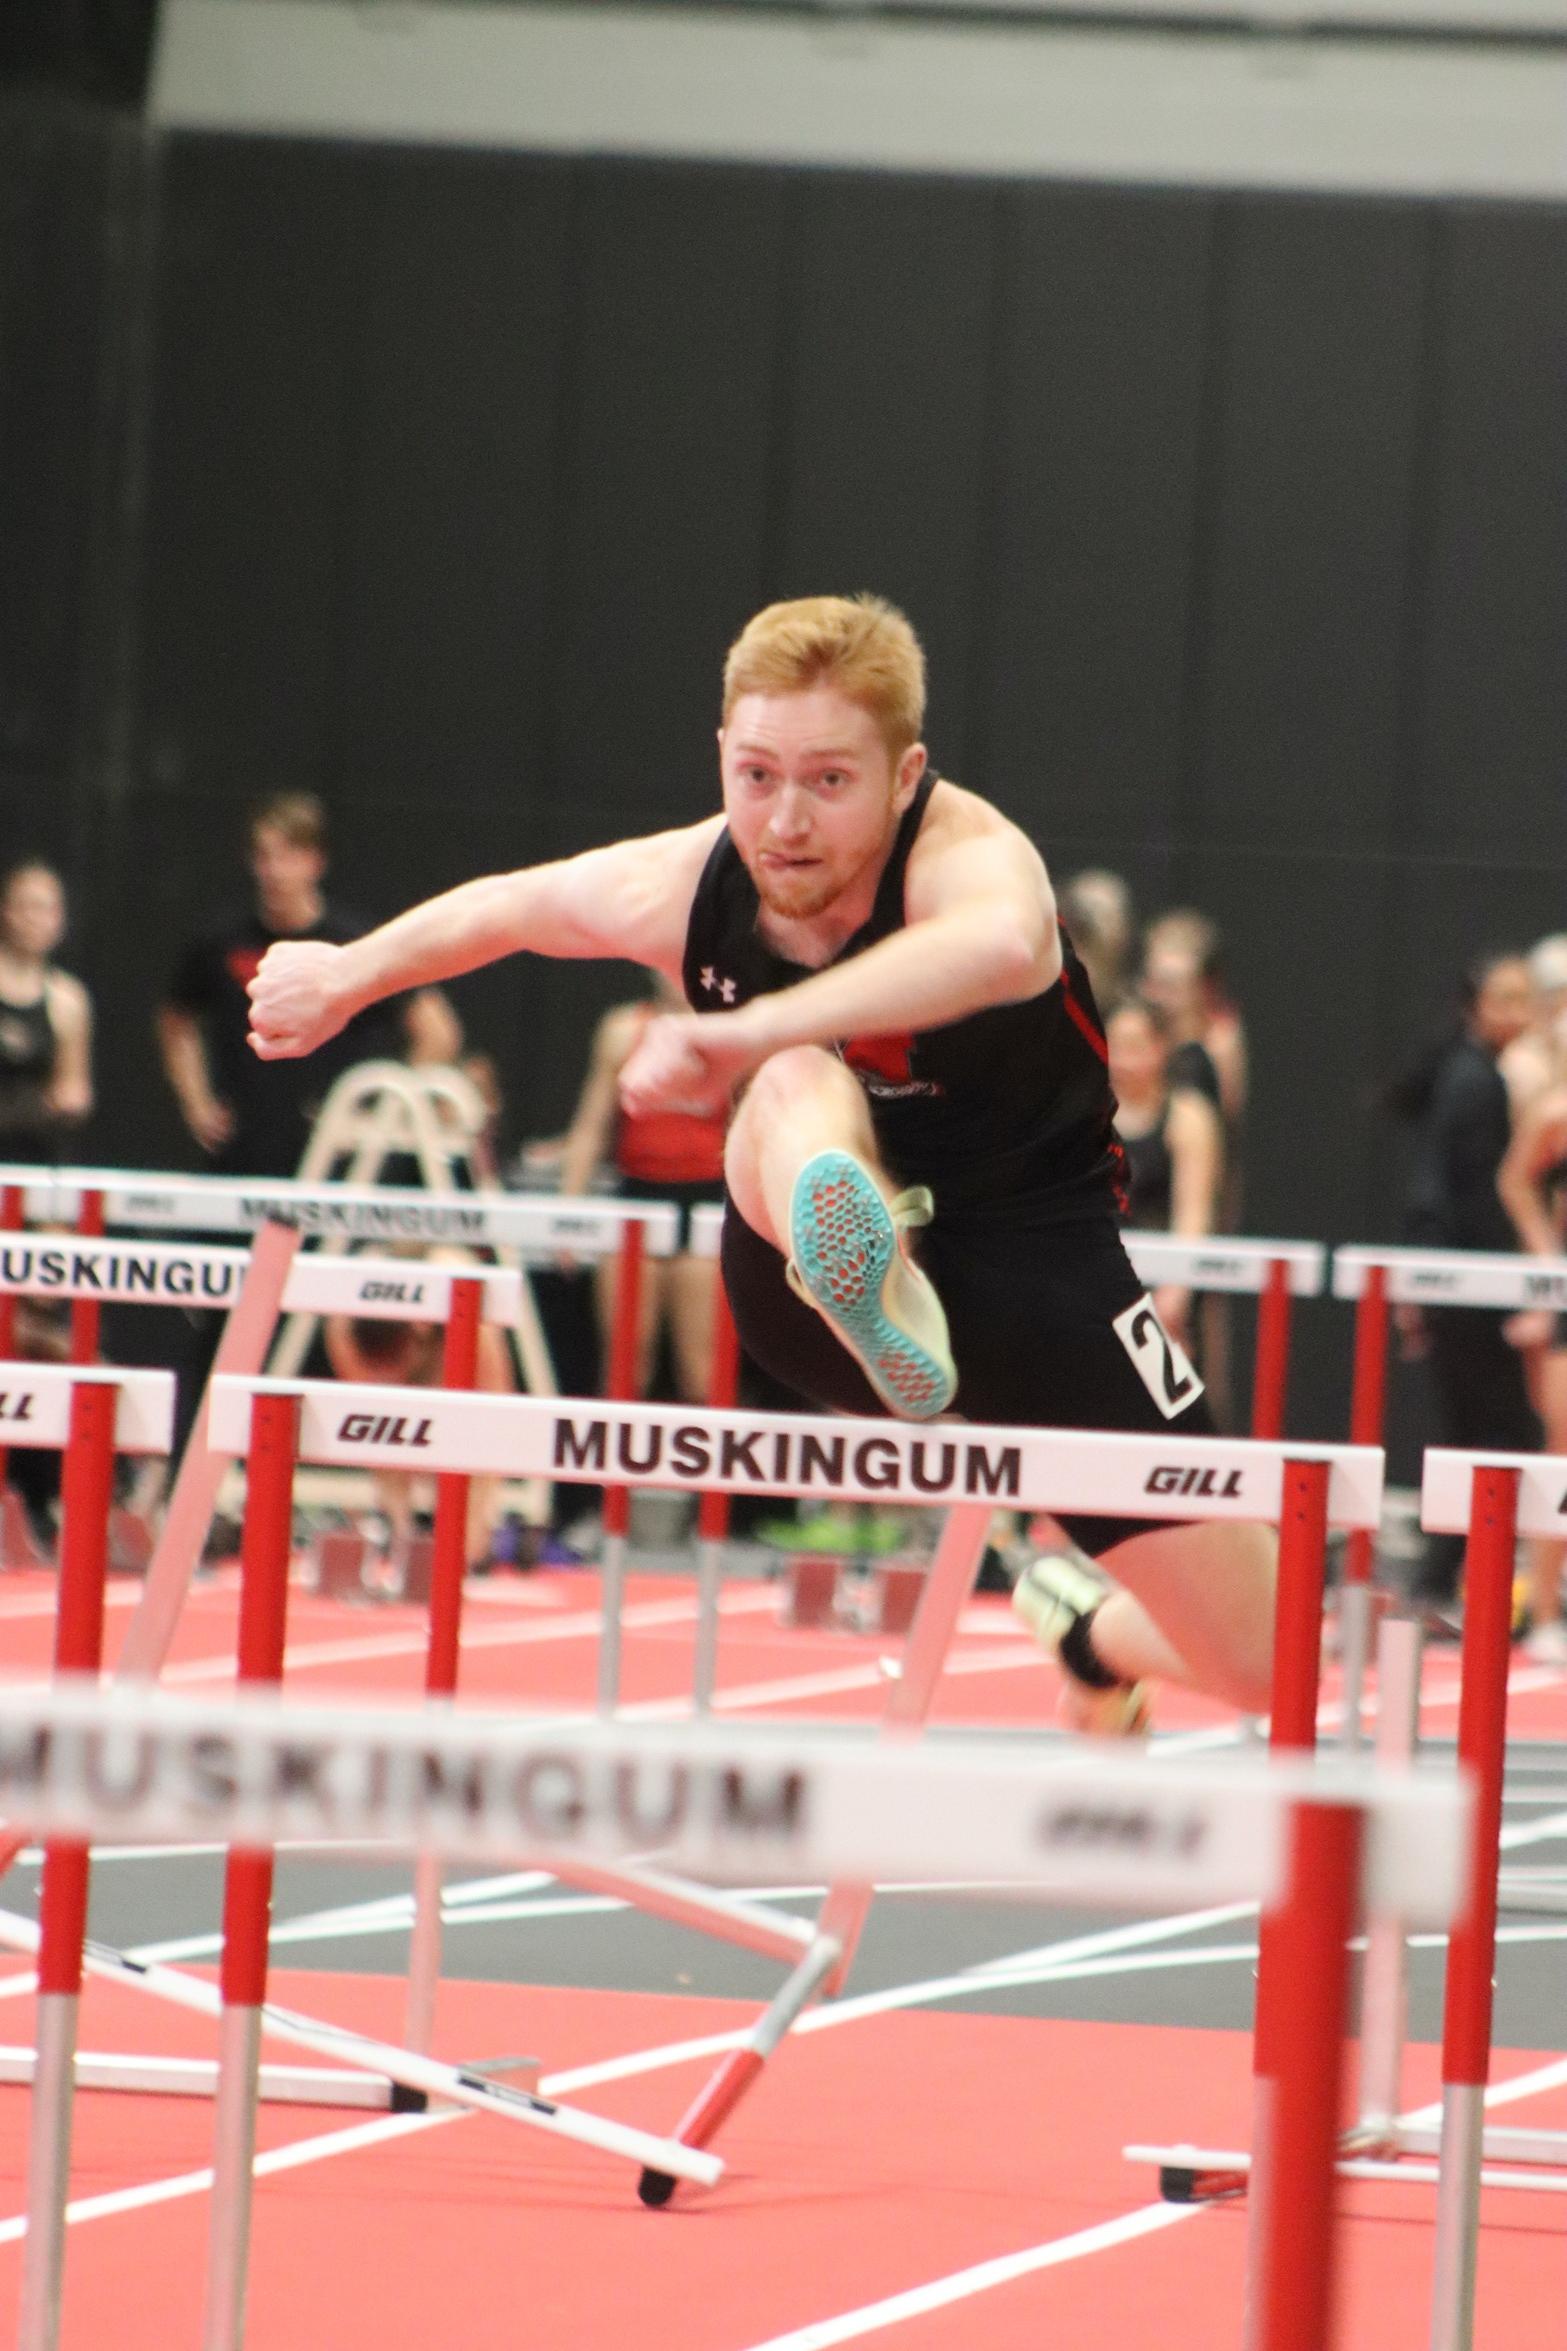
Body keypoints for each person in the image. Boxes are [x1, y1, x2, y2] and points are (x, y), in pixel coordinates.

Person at [247, 594, 1278, 1732]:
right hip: (808, 1281)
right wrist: (347, 973)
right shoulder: (691, 882)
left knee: (1275, 1661)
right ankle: (866, 1257)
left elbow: (990, 949)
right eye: (755, 775)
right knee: (792, 1083)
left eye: (829, 780)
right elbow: (517, 906)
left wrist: (741, 1030)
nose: (784, 820)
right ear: (721, 759)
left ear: (904, 775)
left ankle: (1090, 1638)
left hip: (1042, 1279)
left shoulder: (974, 859)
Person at [156, 791, 461, 1179]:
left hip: (333, 1159)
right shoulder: (222, 942)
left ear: (316, 861)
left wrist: (379, 1117)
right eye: (265, 856)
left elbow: (437, 1032)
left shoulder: (352, 944)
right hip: (245, 1150)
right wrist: (197, 1103)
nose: (275, 871)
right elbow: (176, 1021)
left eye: (288, 856)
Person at [1393, 950, 1540, 1612]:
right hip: (1466, 1279)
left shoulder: (1472, 1074)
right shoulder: (1476, 1082)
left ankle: (1440, 1581)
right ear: (1475, 1006)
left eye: (1525, 997)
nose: (1519, 1012)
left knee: (1469, 1430)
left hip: (1452, 1272)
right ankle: (1455, 1582)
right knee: (1500, 1432)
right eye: (1504, 998)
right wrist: (1510, 1288)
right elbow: (1469, 1197)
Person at [558, 975, 724, 1404]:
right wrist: (567, 1215)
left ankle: (704, 1448)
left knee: (703, 1373)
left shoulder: (731, 1032)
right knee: (625, 1366)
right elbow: (591, 1127)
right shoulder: (624, 1031)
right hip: (638, 1201)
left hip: (706, 1206)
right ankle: (612, 1451)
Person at [1496, 1007, 1567, 1660]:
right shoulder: (1556, 1113)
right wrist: (1546, 1256)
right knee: (1562, 1450)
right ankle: (1543, 1608)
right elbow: (1514, 1179)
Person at [1108, 994, 1224, 1358]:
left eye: (1135, 1047)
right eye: (1115, 1047)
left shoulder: (1188, 1117)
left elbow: (1193, 1216)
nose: (1124, 1060)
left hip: (1162, 1292)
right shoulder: (1084, 1114)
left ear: (1160, 1048)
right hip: (1098, 1286)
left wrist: (1176, 1293)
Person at [0, 860, 93, 1164]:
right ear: (6, 911)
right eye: (27, 907)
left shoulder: (68, 1000)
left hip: (35, 1159)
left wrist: (67, 1102)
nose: (35, 920)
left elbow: (74, 1091)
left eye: (47, 910)